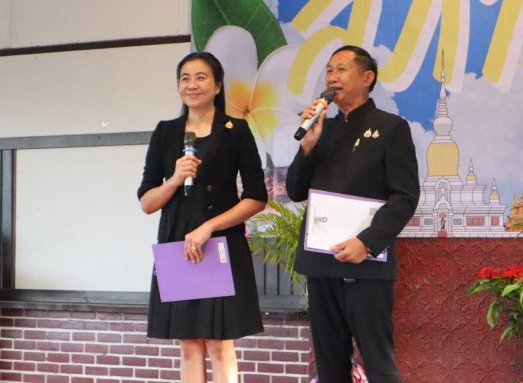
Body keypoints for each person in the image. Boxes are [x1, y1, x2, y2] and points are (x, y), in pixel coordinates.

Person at [286, 45, 420, 383]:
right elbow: (296, 191)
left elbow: (405, 196)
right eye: (329, 70)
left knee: (379, 365)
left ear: (367, 77)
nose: (332, 77)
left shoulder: (391, 128)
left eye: (341, 69)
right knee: (330, 365)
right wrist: (307, 146)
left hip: (366, 264)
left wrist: (367, 242)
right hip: (321, 264)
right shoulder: (322, 129)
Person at [137, 52, 267, 383]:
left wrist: (209, 227)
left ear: (218, 85)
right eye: (185, 78)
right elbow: (147, 203)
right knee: (189, 344)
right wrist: (175, 179)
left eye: (200, 77)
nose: (191, 84)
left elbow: (256, 197)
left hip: (220, 244)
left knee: (220, 345)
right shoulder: (165, 132)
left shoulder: (236, 130)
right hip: (178, 244)